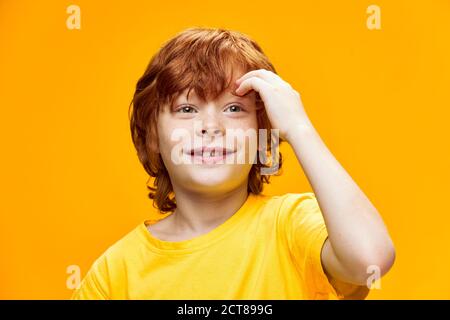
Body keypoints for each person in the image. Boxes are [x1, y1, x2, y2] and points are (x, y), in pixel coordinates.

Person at [71, 27, 395, 300]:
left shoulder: (293, 227)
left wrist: (298, 128)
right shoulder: (114, 275)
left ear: (263, 134)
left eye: (234, 109)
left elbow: (370, 259)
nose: (211, 126)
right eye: (186, 109)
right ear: (153, 136)